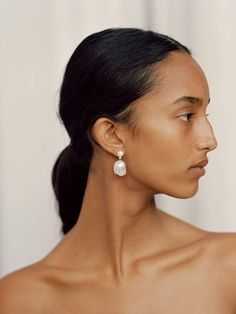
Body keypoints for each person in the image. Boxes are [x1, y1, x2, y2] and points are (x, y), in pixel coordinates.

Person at [0, 27, 236, 313]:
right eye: (186, 115)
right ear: (111, 135)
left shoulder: (228, 268)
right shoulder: (18, 300)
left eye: (205, 115)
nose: (210, 140)